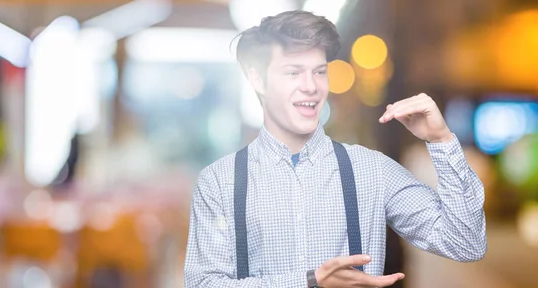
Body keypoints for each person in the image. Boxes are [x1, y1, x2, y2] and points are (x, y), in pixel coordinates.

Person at [184, 10, 486, 288]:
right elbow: (202, 283)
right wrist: (310, 281)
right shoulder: (220, 182)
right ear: (256, 78)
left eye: (319, 71)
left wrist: (442, 141)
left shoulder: (371, 170)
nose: (311, 86)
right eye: (293, 72)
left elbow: (465, 243)